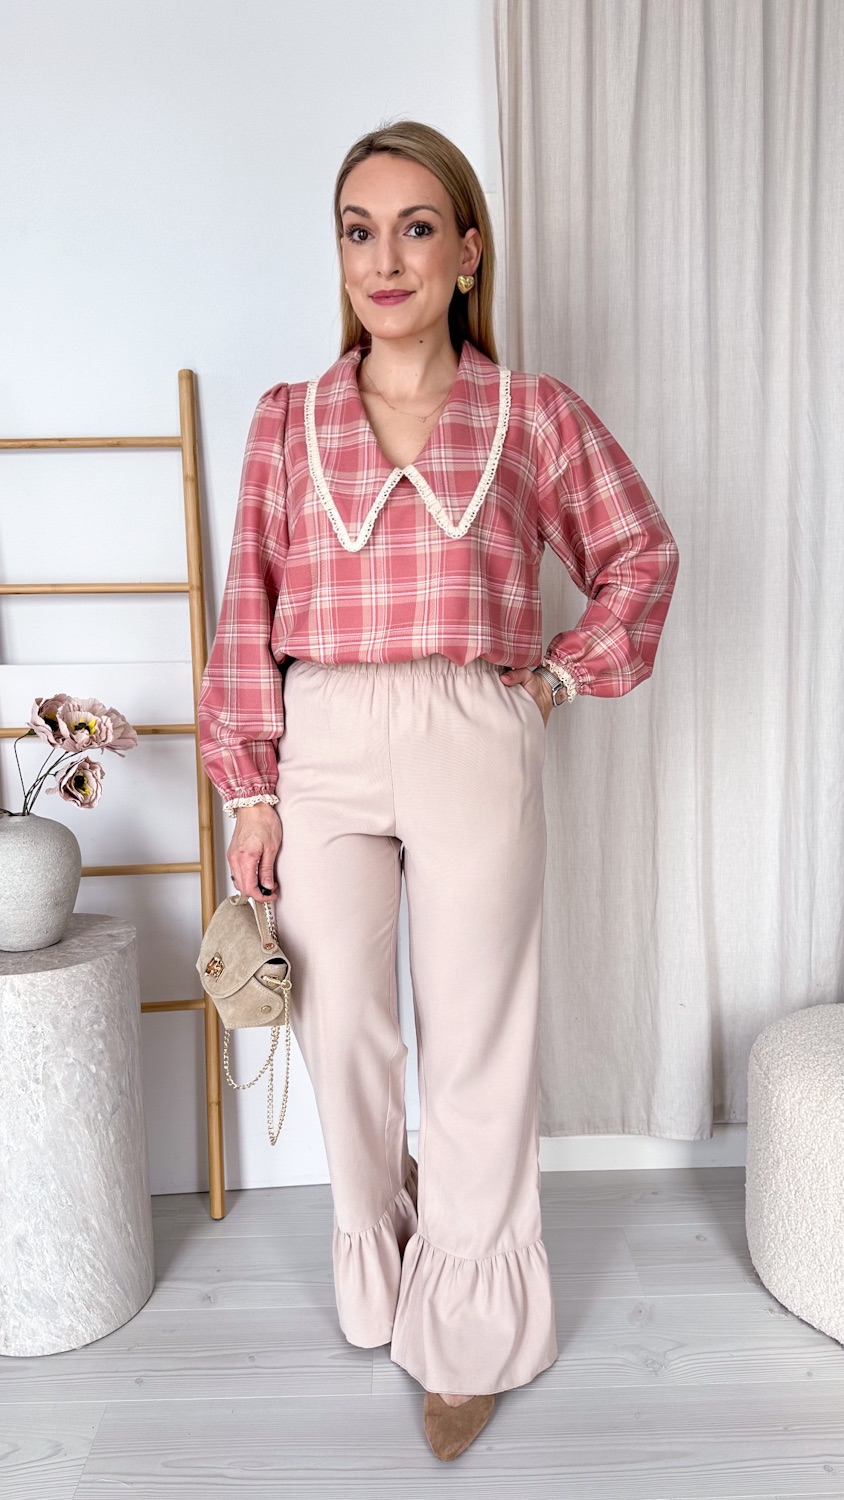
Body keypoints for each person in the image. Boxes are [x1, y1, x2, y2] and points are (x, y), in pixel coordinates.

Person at [197, 119, 679, 1462]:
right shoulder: (286, 420)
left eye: (417, 228)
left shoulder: (534, 415)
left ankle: (468, 1329)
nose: (386, 259)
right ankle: (383, 1259)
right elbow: (249, 610)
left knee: (476, 1040)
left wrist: (558, 677)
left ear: (468, 251)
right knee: (342, 1027)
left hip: (476, 728)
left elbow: (639, 553)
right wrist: (249, 790)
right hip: (325, 736)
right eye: (360, 231)